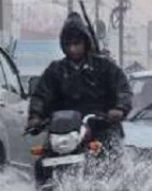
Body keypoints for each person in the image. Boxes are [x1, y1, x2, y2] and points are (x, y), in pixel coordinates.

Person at [26, 12, 132, 151]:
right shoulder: (55, 70)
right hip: (63, 133)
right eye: (68, 44)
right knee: (43, 159)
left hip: (100, 128)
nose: (73, 48)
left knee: (110, 154)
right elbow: (41, 95)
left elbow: (122, 89)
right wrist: (35, 116)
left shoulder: (104, 67)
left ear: (85, 42)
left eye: (77, 43)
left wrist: (119, 109)